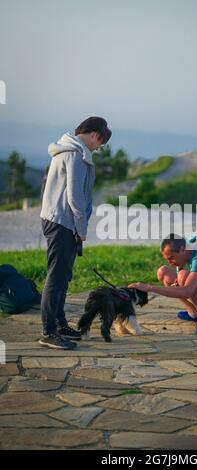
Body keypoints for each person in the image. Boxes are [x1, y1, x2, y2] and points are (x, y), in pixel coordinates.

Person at [39, 117, 112, 349]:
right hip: (63, 222)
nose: (99, 148)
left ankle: (59, 324)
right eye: (100, 142)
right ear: (94, 134)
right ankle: (49, 332)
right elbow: (75, 197)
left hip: (58, 220)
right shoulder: (75, 154)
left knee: (63, 276)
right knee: (57, 278)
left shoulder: (66, 150)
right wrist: (82, 229)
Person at [129, 233, 197, 334]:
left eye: (171, 258)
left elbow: (187, 291)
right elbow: (182, 265)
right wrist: (180, 271)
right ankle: (193, 313)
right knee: (163, 272)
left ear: (182, 249)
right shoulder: (189, 244)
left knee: (183, 276)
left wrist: (149, 288)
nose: (170, 263)